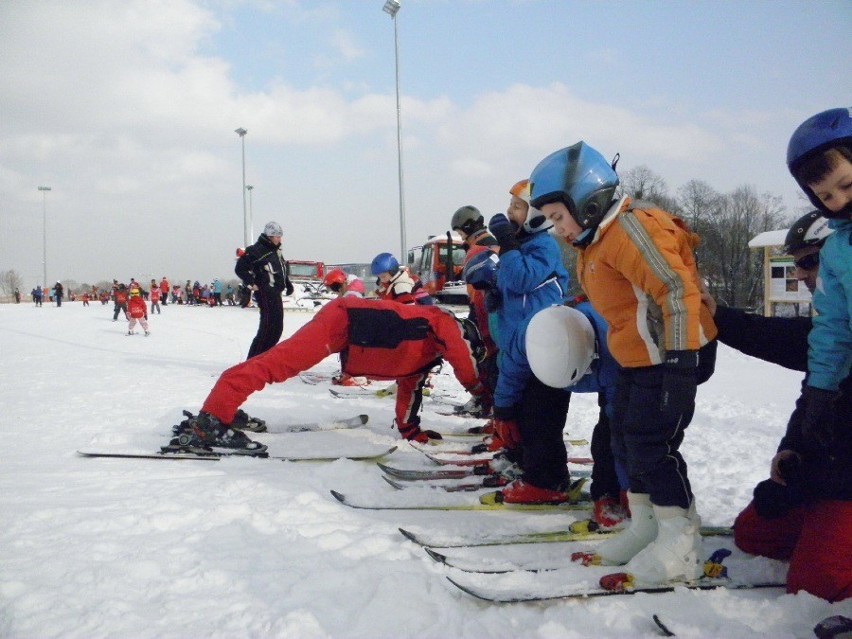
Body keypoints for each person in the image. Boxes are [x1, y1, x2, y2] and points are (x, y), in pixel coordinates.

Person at [530, 141, 718, 587]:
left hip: (673, 355)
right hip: (637, 358)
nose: (555, 229)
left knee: (654, 445)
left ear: (588, 200)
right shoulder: (596, 242)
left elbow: (674, 291)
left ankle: (680, 542)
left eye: (558, 216)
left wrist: (678, 362)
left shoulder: (632, 230)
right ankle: (647, 526)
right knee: (627, 440)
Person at [702, 209, 850, 602]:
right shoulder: (832, 331)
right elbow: (806, 381)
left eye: (808, 261)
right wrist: (793, 449)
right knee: (753, 532)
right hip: (834, 469)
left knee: (816, 586)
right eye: (795, 263)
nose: (799, 274)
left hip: (845, 476)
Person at [167, 296, 491, 453]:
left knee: (277, 364)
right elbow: (465, 363)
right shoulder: (446, 324)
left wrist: (411, 431)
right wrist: (483, 394)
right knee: (278, 365)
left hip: (349, 328)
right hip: (343, 322)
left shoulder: (429, 353)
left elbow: (410, 387)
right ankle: (212, 417)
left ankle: (222, 409)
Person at [484, 179, 572, 504]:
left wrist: (506, 244)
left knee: (541, 422)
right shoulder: (520, 247)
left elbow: (522, 278)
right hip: (522, 350)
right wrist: (493, 290)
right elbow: (511, 283)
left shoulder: (542, 246)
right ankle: (526, 467)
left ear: (537, 215)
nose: (509, 212)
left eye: (517, 207)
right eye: (509, 205)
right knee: (520, 418)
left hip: (546, 352)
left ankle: (548, 482)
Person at [525, 302, 630, 529]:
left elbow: (619, 431)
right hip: (592, 358)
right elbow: (511, 370)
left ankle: (612, 493)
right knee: (535, 406)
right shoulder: (535, 335)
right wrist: (503, 410)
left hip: (638, 369)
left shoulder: (616, 355)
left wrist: (627, 487)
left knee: (614, 433)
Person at [451, 205, 500, 414]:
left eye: (460, 232)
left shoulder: (478, 249)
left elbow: (480, 286)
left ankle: (487, 402)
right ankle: (491, 402)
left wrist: (480, 322)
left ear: (468, 227)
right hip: (492, 308)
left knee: (483, 356)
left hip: (483, 309)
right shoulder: (492, 244)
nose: (460, 236)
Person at [235, 221, 295, 359]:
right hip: (265, 293)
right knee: (267, 328)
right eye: (277, 236)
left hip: (276, 293)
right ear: (269, 236)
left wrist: (288, 283)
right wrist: (252, 283)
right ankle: (253, 360)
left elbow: (281, 269)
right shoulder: (256, 250)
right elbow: (240, 269)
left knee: (277, 329)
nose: (279, 239)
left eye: (280, 236)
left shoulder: (276, 251)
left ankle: (264, 358)